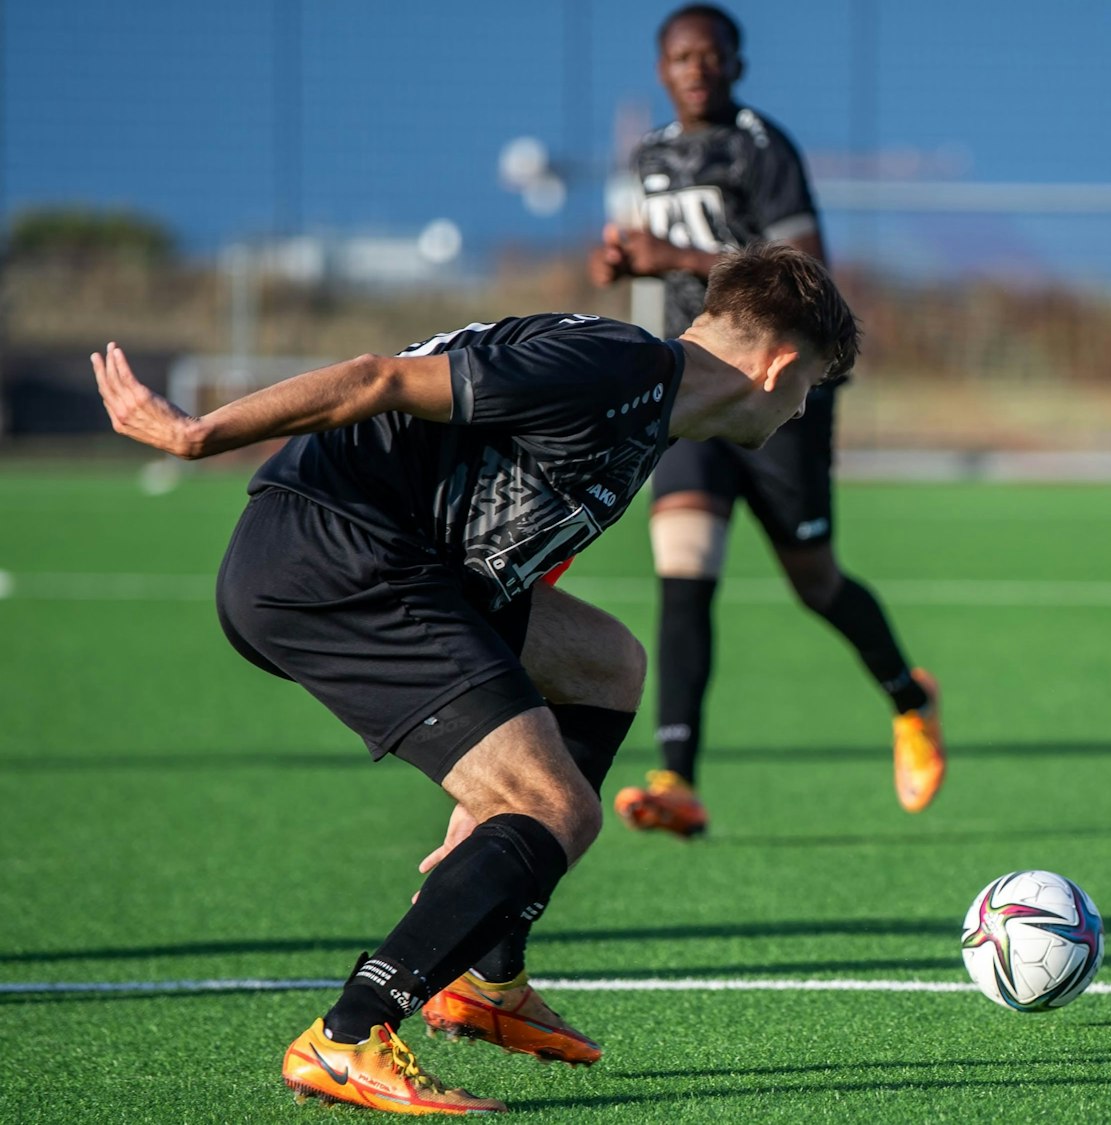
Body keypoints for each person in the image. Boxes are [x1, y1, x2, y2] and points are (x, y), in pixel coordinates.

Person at [92, 243, 858, 1115]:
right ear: (779, 367)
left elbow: (505, 569)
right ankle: (351, 1032)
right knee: (554, 809)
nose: (801, 413)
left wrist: (494, 756)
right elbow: (380, 376)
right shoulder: (616, 365)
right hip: (336, 559)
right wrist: (199, 434)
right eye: (810, 390)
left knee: (605, 665)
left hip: (392, 564)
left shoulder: (650, 406)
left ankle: (485, 983)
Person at [590, 3, 942, 835]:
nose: (697, 68)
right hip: (691, 389)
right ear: (662, 68)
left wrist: (671, 258)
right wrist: (621, 262)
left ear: (737, 65)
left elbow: (804, 271)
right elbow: (666, 257)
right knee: (683, 572)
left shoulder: (761, 146)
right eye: (682, 56)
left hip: (781, 393)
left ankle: (908, 697)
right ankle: (676, 774)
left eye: (713, 55)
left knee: (814, 580)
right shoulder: (651, 156)